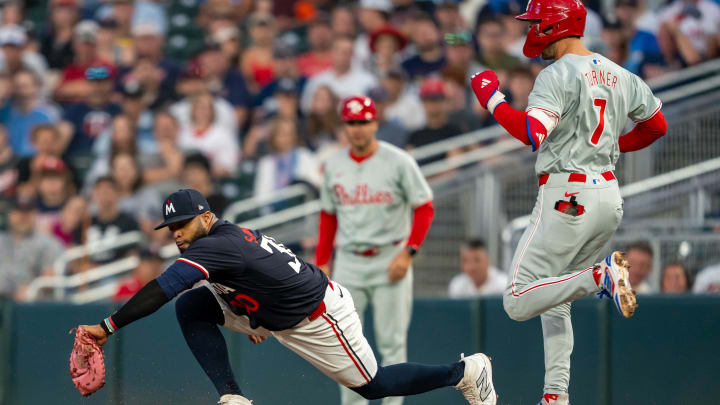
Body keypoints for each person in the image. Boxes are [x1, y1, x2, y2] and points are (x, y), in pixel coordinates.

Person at [80, 188, 497, 405]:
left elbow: (161, 289)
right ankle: (234, 396)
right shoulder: (218, 240)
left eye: (185, 224)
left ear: (207, 218)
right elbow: (227, 281)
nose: (177, 234)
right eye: (172, 228)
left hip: (318, 316)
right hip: (272, 307)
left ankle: (463, 372)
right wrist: (247, 314)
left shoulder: (215, 245)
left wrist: (106, 327)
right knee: (194, 306)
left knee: (373, 385)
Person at [470, 0, 668, 403]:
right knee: (555, 296)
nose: (531, 28)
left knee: (517, 298)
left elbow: (532, 132)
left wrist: (492, 99)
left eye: (536, 21)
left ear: (555, 24)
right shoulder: (618, 72)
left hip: (568, 195)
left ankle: (601, 277)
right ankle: (555, 396)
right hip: (608, 195)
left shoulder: (556, 73)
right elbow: (656, 125)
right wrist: (614, 144)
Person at [316, 96, 438, 405]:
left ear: (375, 123)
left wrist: (408, 252)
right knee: (344, 345)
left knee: (392, 345)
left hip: (389, 257)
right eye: (351, 123)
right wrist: (322, 262)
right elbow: (328, 215)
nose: (357, 129)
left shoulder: (398, 161)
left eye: (363, 122)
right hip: (349, 263)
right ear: (344, 126)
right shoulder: (334, 165)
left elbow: (424, 208)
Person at [0, 196, 65, 300]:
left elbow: (51, 282)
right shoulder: (2, 240)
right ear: (9, 214)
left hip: (32, 306)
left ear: (35, 214)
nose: (23, 216)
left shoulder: (48, 243)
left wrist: (33, 290)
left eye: (27, 212)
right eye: (18, 211)